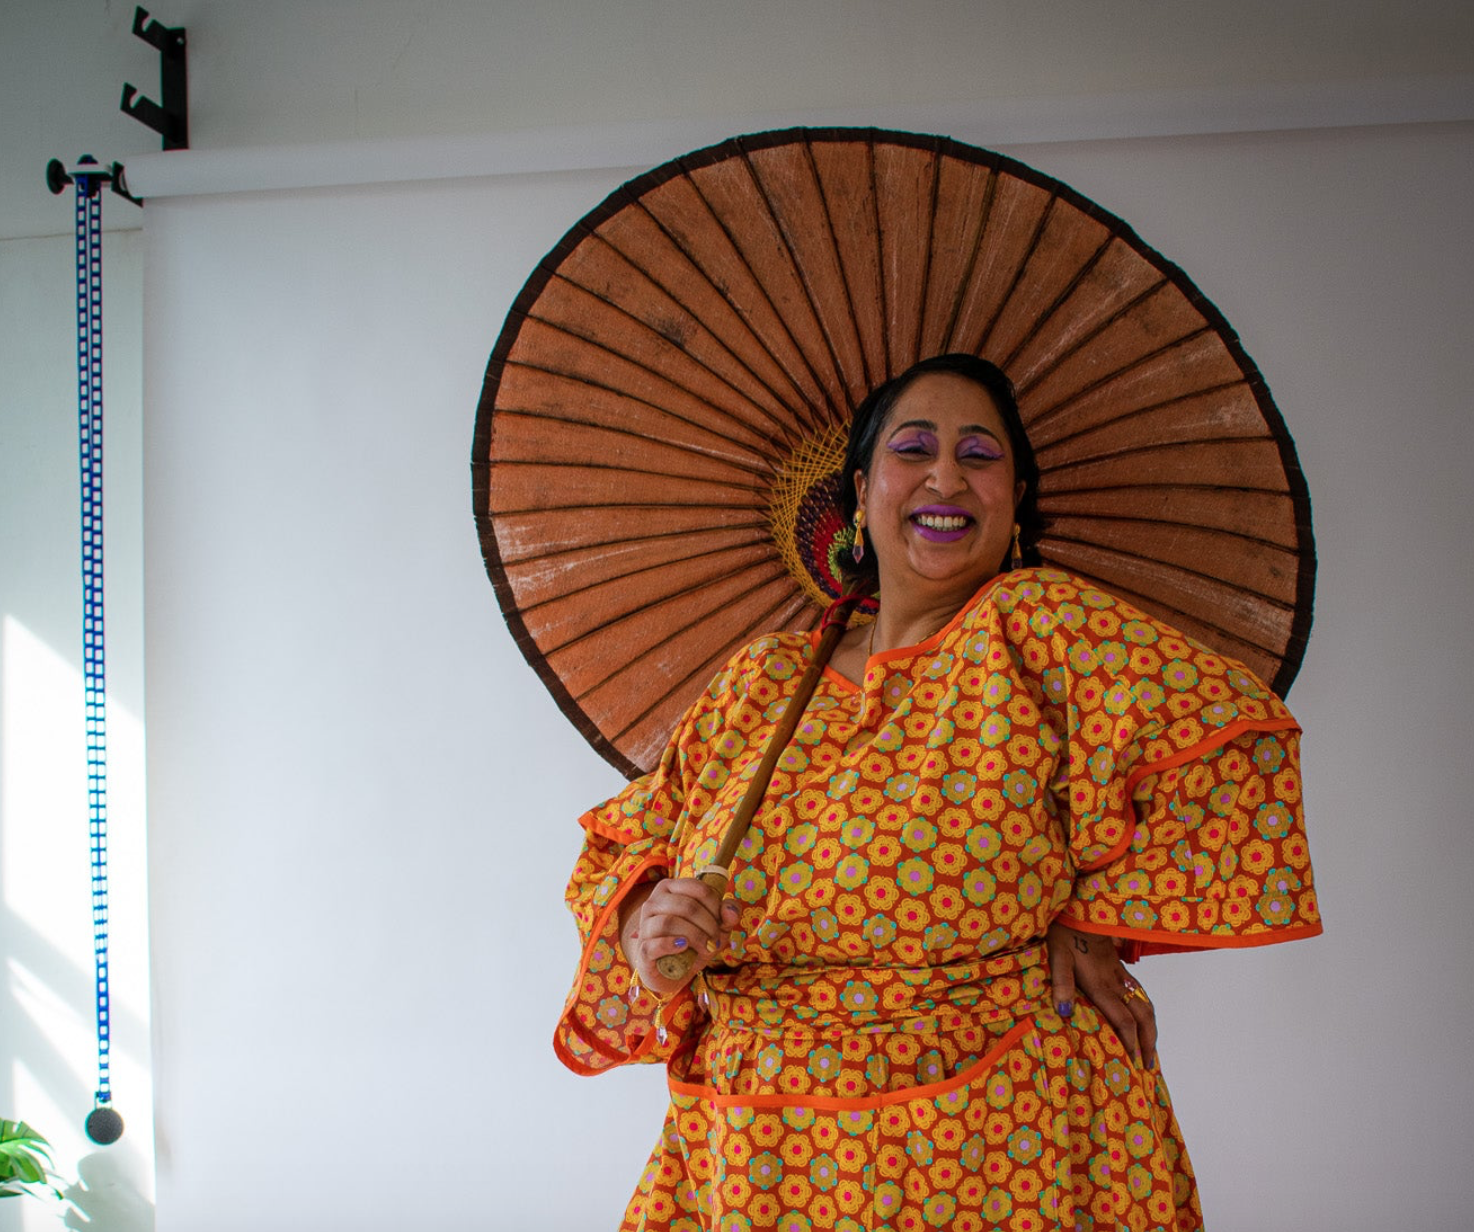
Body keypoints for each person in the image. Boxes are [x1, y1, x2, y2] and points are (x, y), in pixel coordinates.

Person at [555, 353, 1320, 1231]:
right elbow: (624, 845)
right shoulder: (761, 681)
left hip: (1001, 1139)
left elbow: (1229, 737)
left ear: (1017, 496)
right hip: (755, 1158)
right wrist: (646, 927)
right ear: (861, 489)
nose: (946, 478)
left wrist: (1094, 916)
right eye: (913, 449)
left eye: (980, 455)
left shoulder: (1039, 628)